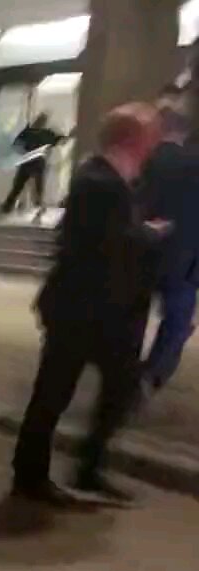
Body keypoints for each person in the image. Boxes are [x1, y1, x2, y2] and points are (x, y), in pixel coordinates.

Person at [11, 103, 163, 507]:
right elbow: (107, 244)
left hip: (103, 310)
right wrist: (147, 236)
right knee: (53, 395)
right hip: (82, 310)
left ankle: (87, 468)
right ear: (132, 139)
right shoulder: (99, 181)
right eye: (150, 136)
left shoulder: (114, 178)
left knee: (117, 387)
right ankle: (32, 477)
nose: (155, 144)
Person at [139, 104, 198, 396]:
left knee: (131, 313)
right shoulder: (194, 163)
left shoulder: (141, 160)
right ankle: (151, 375)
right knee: (177, 321)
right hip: (183, 258)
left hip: (138, 250)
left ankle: (122, 371)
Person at [0, 112, 66, 219]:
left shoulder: (29, 132)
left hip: (28, 161)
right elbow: (60, 140)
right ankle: (37, 206)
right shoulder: (45, 133)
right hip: (37, 162)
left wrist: (23, 152)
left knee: (19, 186)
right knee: (34, 187)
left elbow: (16, 146)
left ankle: (8, 206)